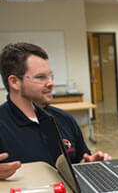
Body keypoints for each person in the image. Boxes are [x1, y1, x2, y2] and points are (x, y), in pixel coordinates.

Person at [0, 42, 110, 180]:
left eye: (50, 76)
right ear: (14, 82)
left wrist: (89, 165)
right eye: (40, 77)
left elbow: (80, 162)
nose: (50, 83)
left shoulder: (64, 119)